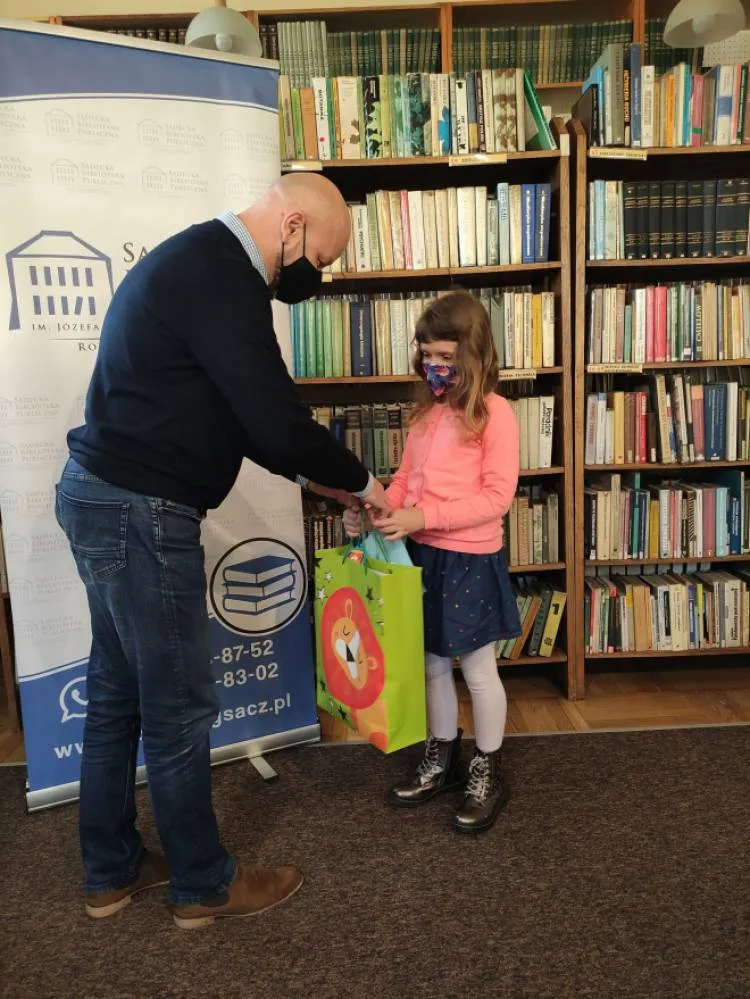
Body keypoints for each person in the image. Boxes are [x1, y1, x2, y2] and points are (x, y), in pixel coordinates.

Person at [55, 172, 389, 929]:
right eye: (323, 259)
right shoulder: (223, 275)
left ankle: (110, 871)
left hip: (98, 495)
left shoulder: (196, 263)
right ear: (294, 224)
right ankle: (203, 883)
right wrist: (365, 480)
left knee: (116, 694)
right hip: (142, 511)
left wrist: (327, 485)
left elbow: (241, 422)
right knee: (177, 710)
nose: (318, 275)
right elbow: (273, 419)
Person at [344, 290, 521, 834]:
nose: (436, 368)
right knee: (429, 663)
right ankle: (442, 756)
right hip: (420, 557)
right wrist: (376, 509)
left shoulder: (496, 413)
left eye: (446, 357)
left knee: (477, 667)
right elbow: (405, 482)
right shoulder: (425, 414)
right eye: (427, 358)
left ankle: (487, 768)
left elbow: (497, 498)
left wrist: (422, 517)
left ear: (475, 354)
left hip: (468, 559)